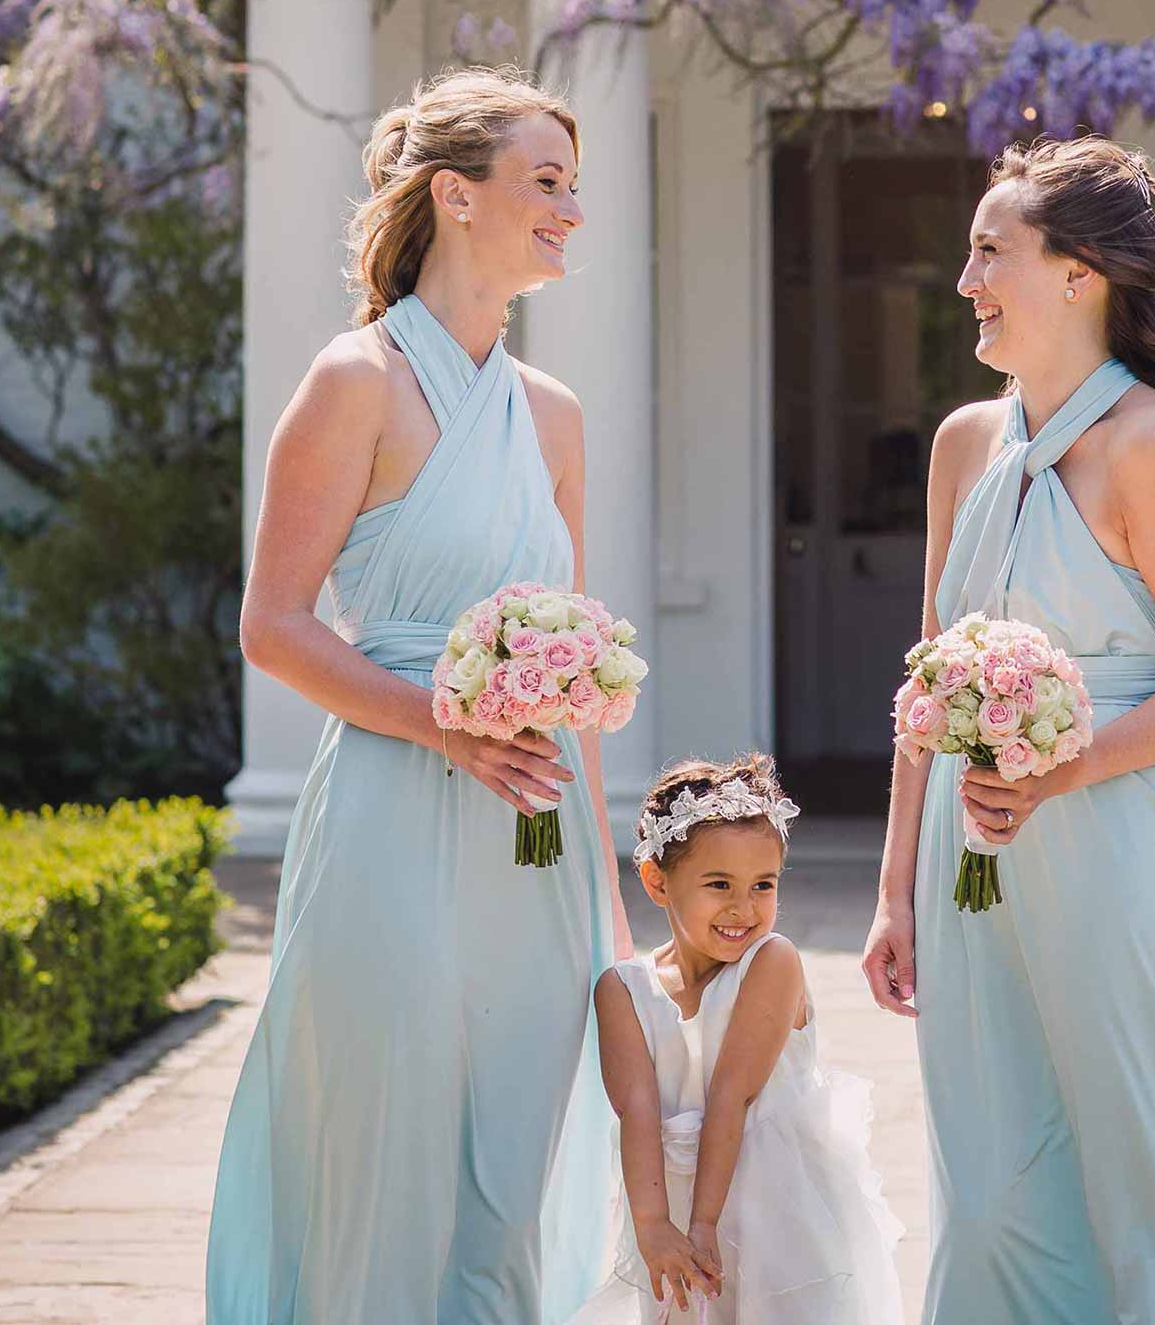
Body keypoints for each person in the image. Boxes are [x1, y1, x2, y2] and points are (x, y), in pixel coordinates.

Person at [206, 65, 632, 1324]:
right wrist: (442, 725)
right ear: (455, 195)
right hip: (391, 809)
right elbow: (272, 627)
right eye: (545, 184)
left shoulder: (553, 417)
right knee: (381, 1150)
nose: (570, 211)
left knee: (512, 1162)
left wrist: (607, 906)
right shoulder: (354, 381)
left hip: (536, 835)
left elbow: (584, 672)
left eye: (574, 187)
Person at [860, 135, 1155, 1322]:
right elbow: (927, 690)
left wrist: (1066, 768)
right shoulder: (961, 444)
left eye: (990, 252)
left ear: (1080, 274)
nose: (965, 281)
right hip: (968, 866)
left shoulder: (1154, 445)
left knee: (1153, 1165)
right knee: (991, 1193)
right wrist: (898, 888)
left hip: (1116, 854)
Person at [575, 755, 904, 1324]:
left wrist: (705, 1226)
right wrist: (655, 1228)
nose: (743, 908)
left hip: (773, 1208)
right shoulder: (622, 989)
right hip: (670, 1201)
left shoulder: (771, 962)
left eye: (763, 885)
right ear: (657, 880)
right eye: (718, 884)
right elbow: (637, 1111)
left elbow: (732, 1096)